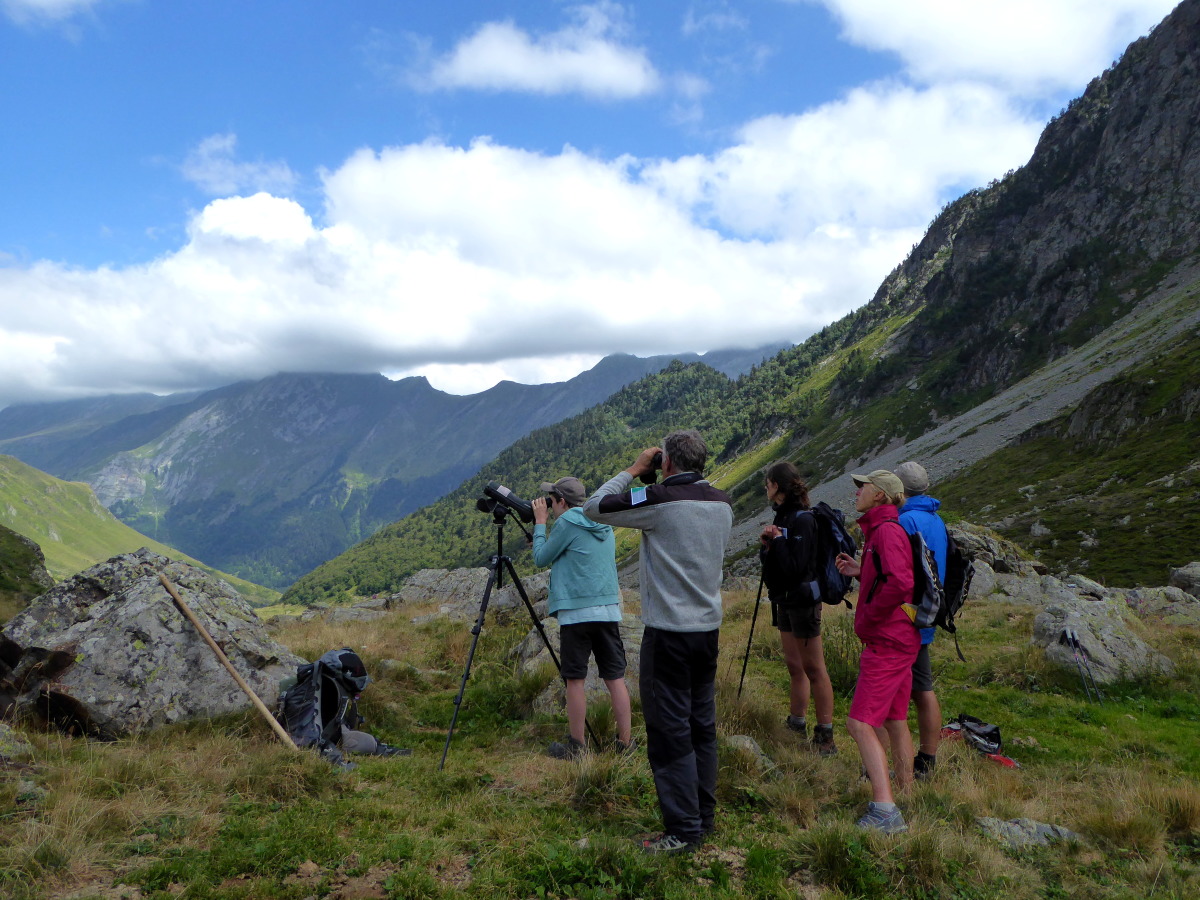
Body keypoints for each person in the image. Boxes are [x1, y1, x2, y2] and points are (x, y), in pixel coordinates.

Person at [583, 430, 733, 855]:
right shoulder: (723, 503)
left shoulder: (660, 500)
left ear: (667, 462)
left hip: (668, 634)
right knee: (701, 728)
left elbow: (595, 507)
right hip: (708, 631)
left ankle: (682, 832)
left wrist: (633, 470)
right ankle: (703, 818)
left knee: (670, 732)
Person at [834, 469, 920, 835]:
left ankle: (885, 812)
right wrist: (861, 571)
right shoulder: (883, 530)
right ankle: (906, 790)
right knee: (894, 719)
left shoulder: (884, 531)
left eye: (864, 487)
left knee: (860, 723)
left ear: (880, 496)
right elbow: (887, 574)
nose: (858, 492)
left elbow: (901, 581)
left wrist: (870, 616)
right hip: (903, 639)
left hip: (887, 640)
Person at [530, 476, 633, 759]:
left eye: (551, 501)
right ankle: (625, 743)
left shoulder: (565, 523)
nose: (549, 506)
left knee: (575, 679)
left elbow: (540, 558)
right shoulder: (603, 522)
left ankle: (577, 746)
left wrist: (540, 524)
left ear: (563, 502)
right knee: (615, 678)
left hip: (577, 613)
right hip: (607, 609)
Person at [759, 461, 837, 755]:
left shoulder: (803, 520)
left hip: (803, 601)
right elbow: (778, 564)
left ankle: (825, 735)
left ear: (776, 485)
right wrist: (769, 545)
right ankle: (796, 723)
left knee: (814, 667)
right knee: (794, 666)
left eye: (767, 484)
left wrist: (777, 542)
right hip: (785, 600)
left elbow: (797, 567)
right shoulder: (784, 517)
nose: (766, 489)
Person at [894, 460, 947, 780]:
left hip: (904, 616)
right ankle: (928, 758)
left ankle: (885, 768)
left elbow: (898, 574)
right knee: (923, 689)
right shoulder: (935, 519)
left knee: (890, 694)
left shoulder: (905, 520)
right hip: (927, 614)